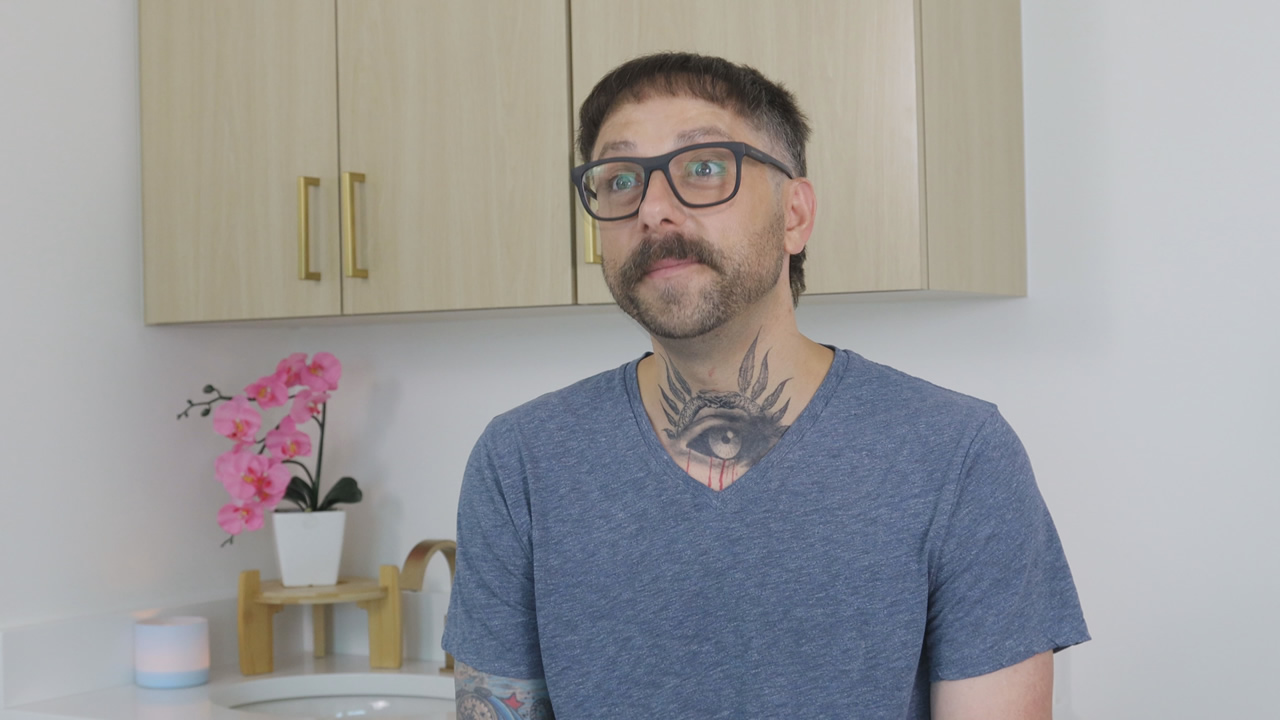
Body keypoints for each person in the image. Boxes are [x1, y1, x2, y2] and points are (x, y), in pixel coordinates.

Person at [442, 52, 1089, 719]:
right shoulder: (520, 461)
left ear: (795, 214)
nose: (653, 209)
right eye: (619, 180)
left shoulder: (960, 457)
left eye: (703, 168)